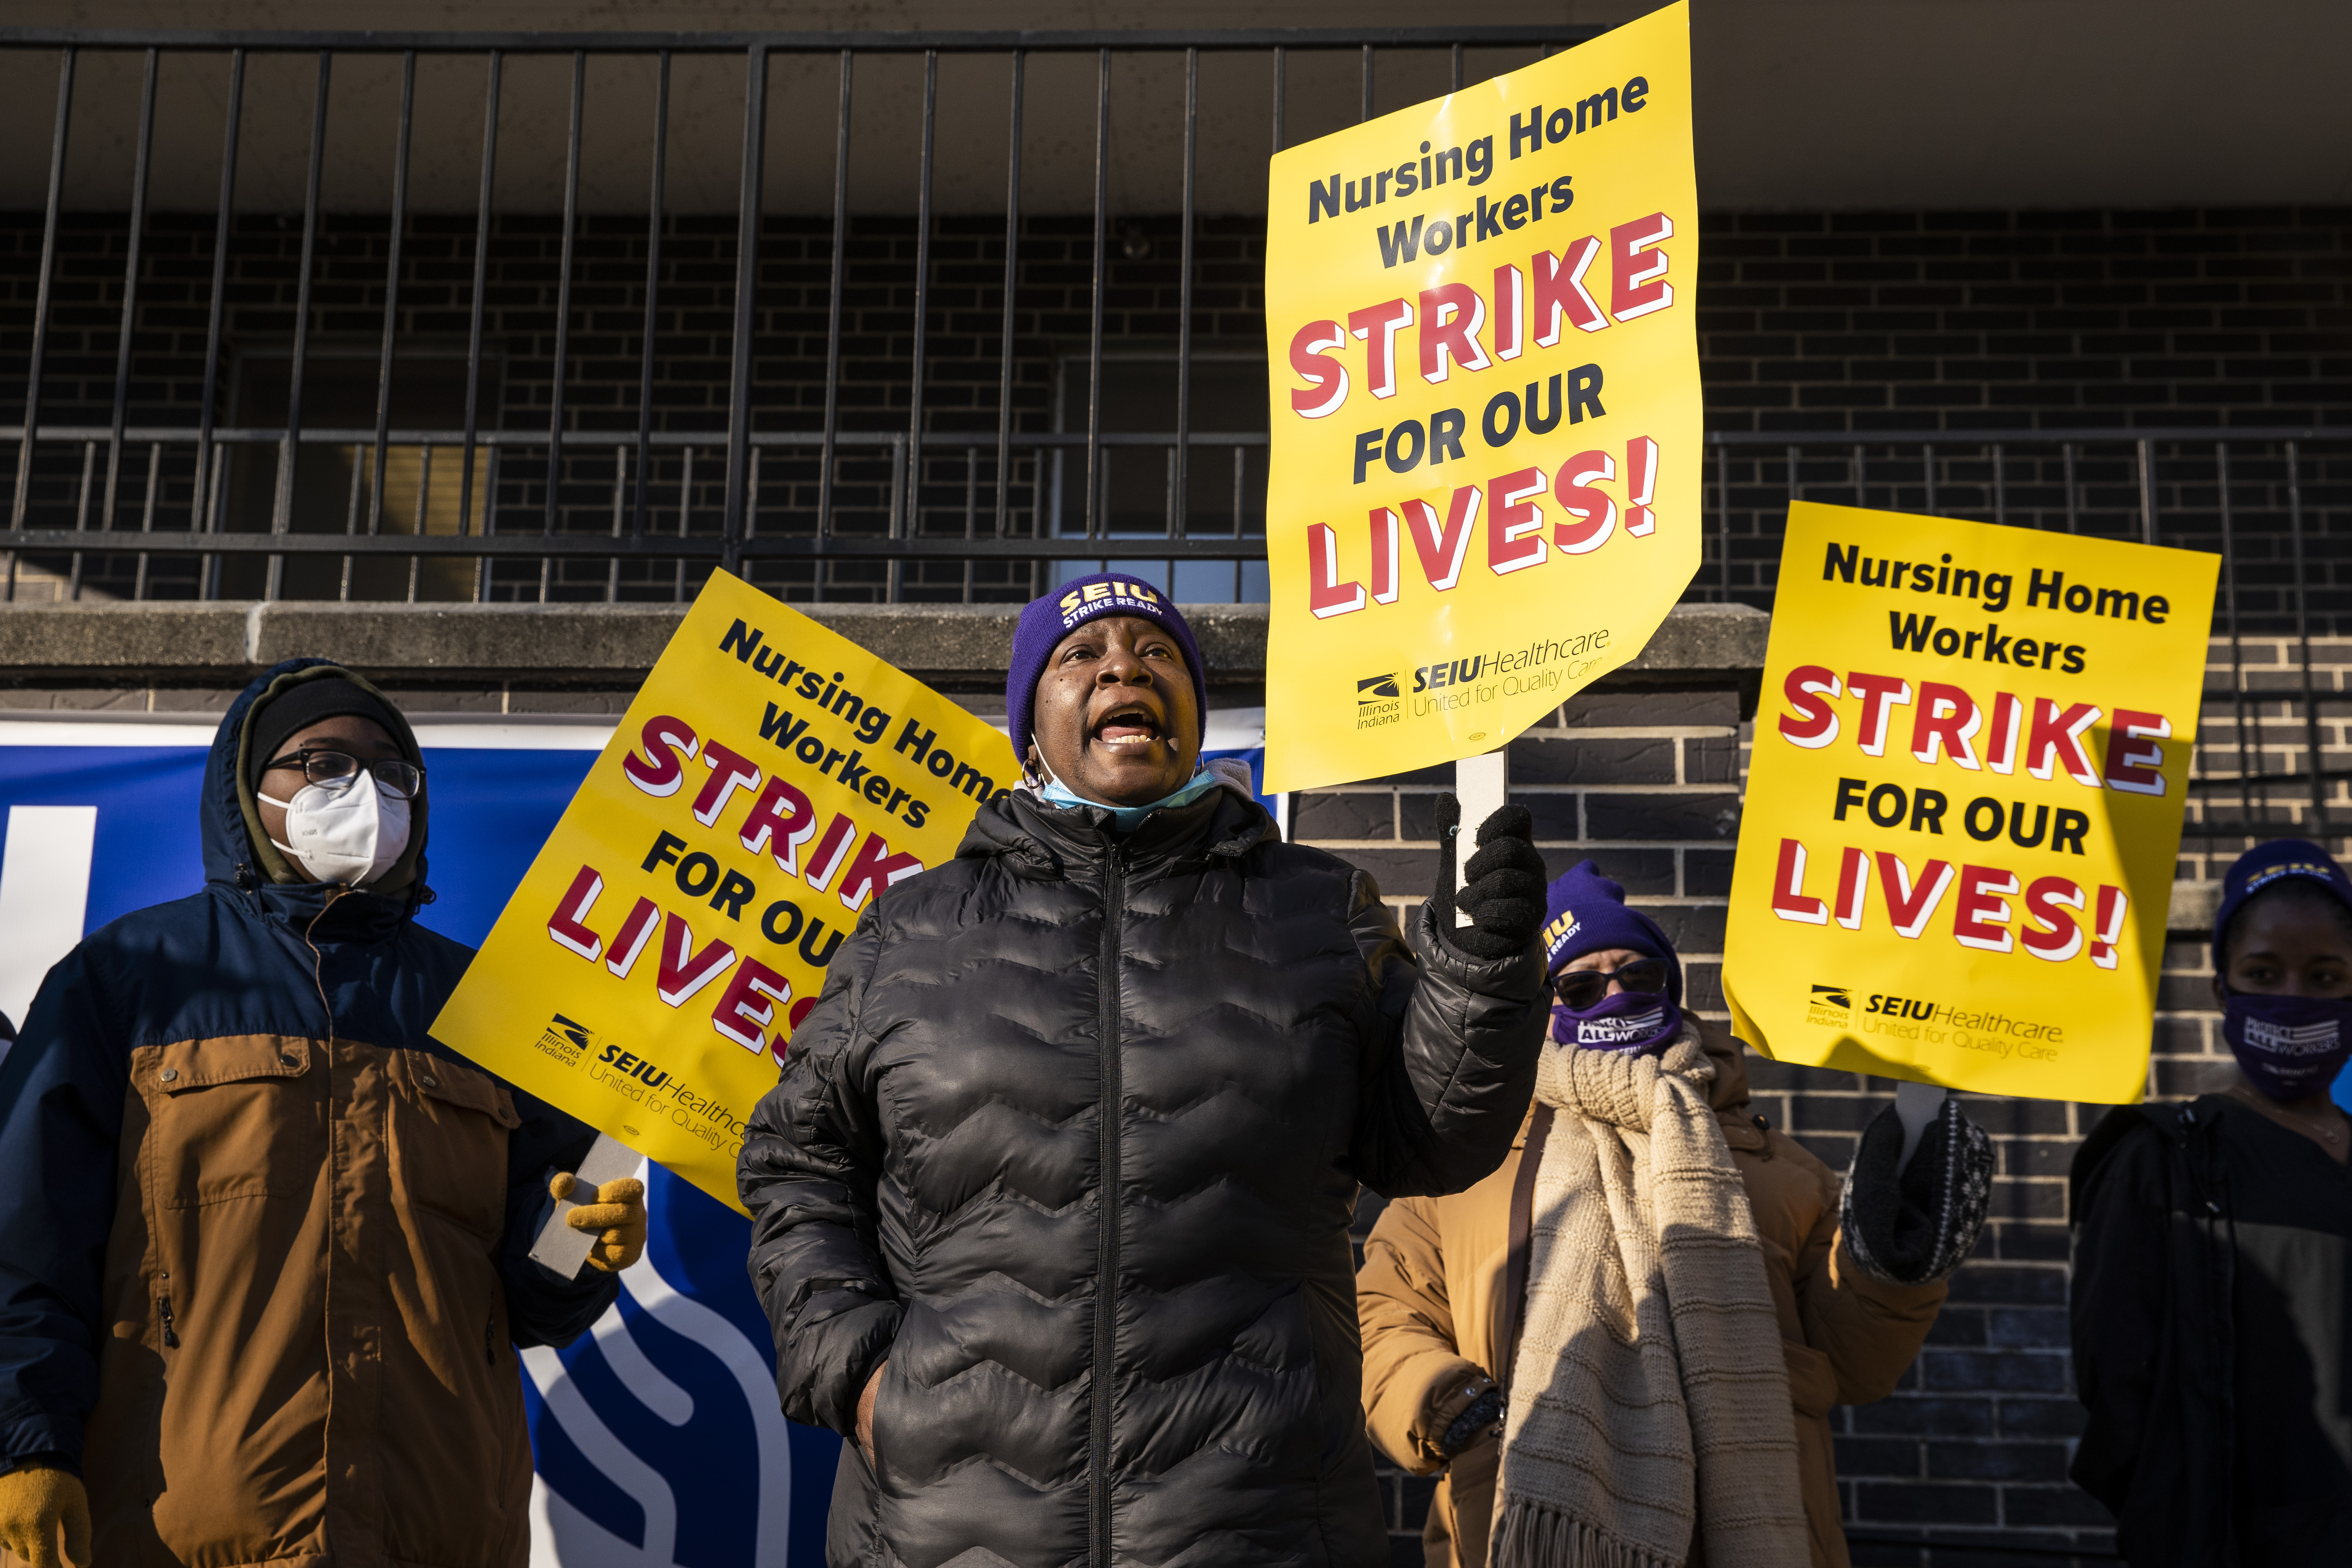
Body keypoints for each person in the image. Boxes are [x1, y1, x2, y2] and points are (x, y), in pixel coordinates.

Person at [738, 572, 1553, 1568]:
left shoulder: (1318, 909)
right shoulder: (907, 933)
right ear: (1029, 727)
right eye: (1081, 655)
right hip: (947, 1530)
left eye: (1156, 653)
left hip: (1258, 1523)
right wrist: (859, 1369)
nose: (1124, 665)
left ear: (1194, 716)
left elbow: (1432, 1134)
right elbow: (796, 1168)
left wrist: (1481, 968)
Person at [0, 658, 648, 1568]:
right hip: (181, 1531)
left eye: (392, 771)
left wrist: (582, 1243)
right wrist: (26, 1443)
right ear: (247, 791)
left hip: (438, 1529)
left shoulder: (489, 1009)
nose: (366, 791)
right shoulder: (127, 978)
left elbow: (527, 1296)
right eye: (323, 764)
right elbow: (24, 1239)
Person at [1358, 859, 1991, 1568]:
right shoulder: (1467, 1159)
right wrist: (1456, 1411)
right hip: (1527, 1518)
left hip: (1745, 1528)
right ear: (1543, 1001)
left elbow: (1854, 1366)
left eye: (1640, 976)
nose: (1617, 995)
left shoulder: (1778, 1167)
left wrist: (1892, 1268)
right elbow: (1384, 1314)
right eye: (1580, 985)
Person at [2071, 837, 2352, 1565]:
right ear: (2220, 988)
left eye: (2324, 976)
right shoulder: (2162, 1159)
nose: (2292, 998)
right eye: (2263, 973)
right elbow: (2116, 1388)